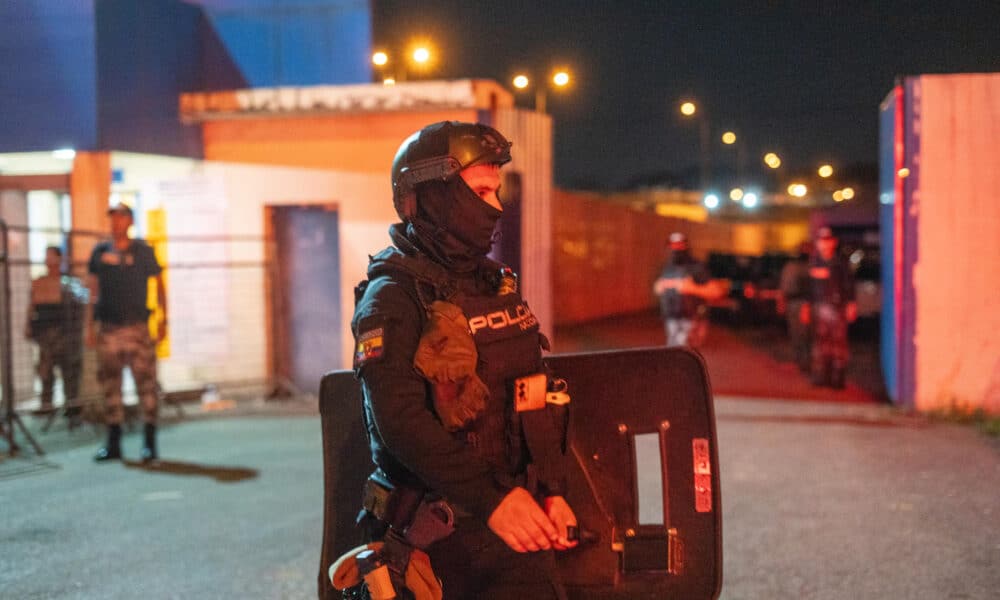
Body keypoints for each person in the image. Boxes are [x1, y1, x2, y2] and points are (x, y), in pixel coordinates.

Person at [347, 121, 577, 599]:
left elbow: (532, 393)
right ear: (432, 194)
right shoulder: (392, 297)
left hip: (512, 520)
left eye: (497, 191)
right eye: (480, 190)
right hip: (438, 538)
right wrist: (494, 501)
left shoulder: (494, 286)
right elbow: (401, 424)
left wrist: (552, 489)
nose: (494, 206)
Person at [85, 203, 168, 462]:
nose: (116, 222)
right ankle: (114, 443)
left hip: (137, 328)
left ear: (130, 221)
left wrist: (164, 319)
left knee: (146, 385)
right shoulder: (100, 251)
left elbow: (159, 283)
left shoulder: (143, 251)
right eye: (113, 218)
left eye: (121, 217)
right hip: (109, 328)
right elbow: (93, 289)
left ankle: (149, 443)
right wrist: (89, 325)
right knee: (110, 386)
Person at [25, 246, 86, 424]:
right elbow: (32, 304)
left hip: (65, 335)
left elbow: (80, 304)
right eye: (47, 257)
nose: (48, 260)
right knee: (45, 371)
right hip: (45, 334)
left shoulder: (69, 283)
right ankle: (47, 405)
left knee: (69, 371)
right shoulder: (40, 282)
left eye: (52, 257)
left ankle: (72, 406)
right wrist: (28, 325)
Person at [804, 227, 856, 389]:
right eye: (821, 241)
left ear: (834, 242)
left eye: (827, 241)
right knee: (820, 343)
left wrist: (851, 304)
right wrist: (806, 307)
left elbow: (848, 285)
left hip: (837, 308)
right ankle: (821, 376)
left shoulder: (840, 263)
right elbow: (809, 288)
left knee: (838, 344)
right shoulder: (814, 262)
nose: (824, 245)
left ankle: (838, 378)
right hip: (819, 308)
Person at [653, 232, 724, 347]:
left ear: (686, 246)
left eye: (679, 245)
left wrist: (692, 289)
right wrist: (659, 287)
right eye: (672, 245)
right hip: (671, 320)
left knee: (684, 352)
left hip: (691, 320)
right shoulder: (668, 267)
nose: (675, 249)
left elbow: (716, 291)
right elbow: (659, 286)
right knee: (673, 351)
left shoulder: (697, 267)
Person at [777, 241, 813, 373]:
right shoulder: (792, 266)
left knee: (805, 334)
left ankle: (805, 362)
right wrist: (781, 302)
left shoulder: (810, 266)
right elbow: (784, 287)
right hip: (793, 303)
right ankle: (799, 361)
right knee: (796, 333)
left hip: (804, 304)